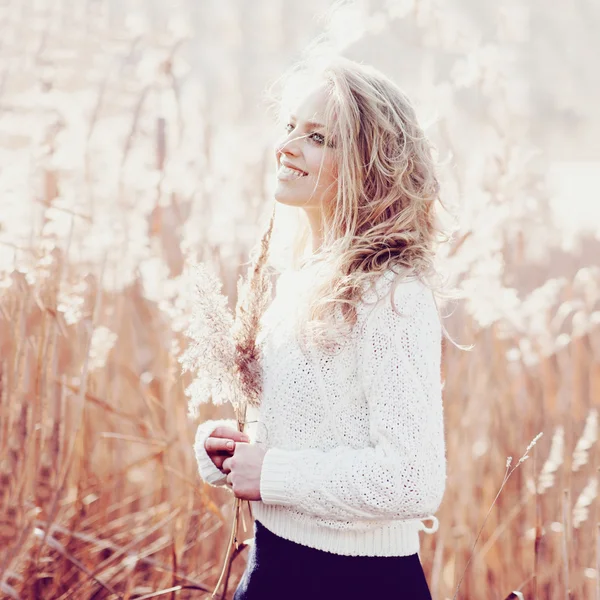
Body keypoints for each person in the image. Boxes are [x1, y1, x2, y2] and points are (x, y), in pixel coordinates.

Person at [193, 56, 453, 600]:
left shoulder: (392, 294)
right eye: (289, 127)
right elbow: (312, 434)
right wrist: (235, 453)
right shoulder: (298, 279)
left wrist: (273, 473)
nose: (286, 146)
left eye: (317, 137)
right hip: (273, 568)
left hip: (355, 582)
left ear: (369, 163)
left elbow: (412, 479)